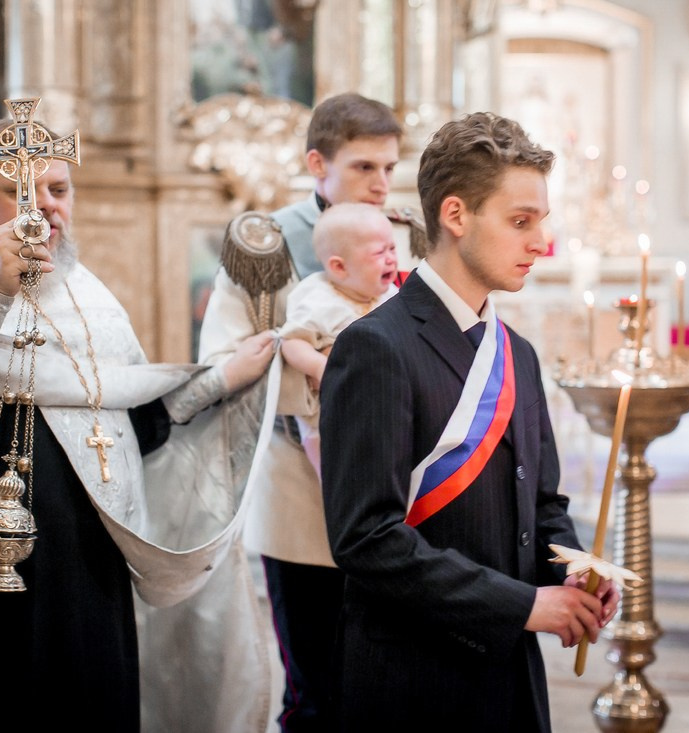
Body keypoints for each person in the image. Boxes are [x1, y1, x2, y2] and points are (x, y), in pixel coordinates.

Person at [0, 116, 276, 732]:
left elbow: (132, 421)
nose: (44, 206)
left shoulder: (91, 299)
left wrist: (220, 381)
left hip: (94, 567)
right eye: (21, 188)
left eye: (58, 189)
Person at [318, 112, 622, 732]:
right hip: (413, 680)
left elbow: (542, 503)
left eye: (541, 221)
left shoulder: (518, 353)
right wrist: (525, 605)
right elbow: (366, 539)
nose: (541, 243)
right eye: (521, 222)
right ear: (456, 216)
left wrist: (573, 567)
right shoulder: (377, 347)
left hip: (508, 672)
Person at [192, 92, 406, 733]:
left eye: (390, 169)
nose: (381, 184)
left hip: (394, 491)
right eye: (365, 167)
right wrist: (333, 371)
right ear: (318, 162)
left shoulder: (403, 237)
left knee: (387, 688)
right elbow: (224, 361)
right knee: (315, 694)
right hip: (298, 490)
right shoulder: (263, 245)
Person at [279, 203, 399, 476]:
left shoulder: (390, 295)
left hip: (378, 408)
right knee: (339, 479)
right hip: (327, 417)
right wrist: (323, 369)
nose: (391, 259)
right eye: (380, 253)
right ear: (339, 267)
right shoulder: (317, 298)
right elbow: (292, 343)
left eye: (392, 248)